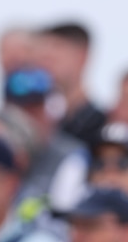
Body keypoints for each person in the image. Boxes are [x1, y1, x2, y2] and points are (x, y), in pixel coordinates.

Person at [35, 22, 107, 150]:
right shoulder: (43, 127)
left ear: (82, 56)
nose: (44, 65)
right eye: (41, 57)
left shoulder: (105, 126)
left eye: (53, 57)